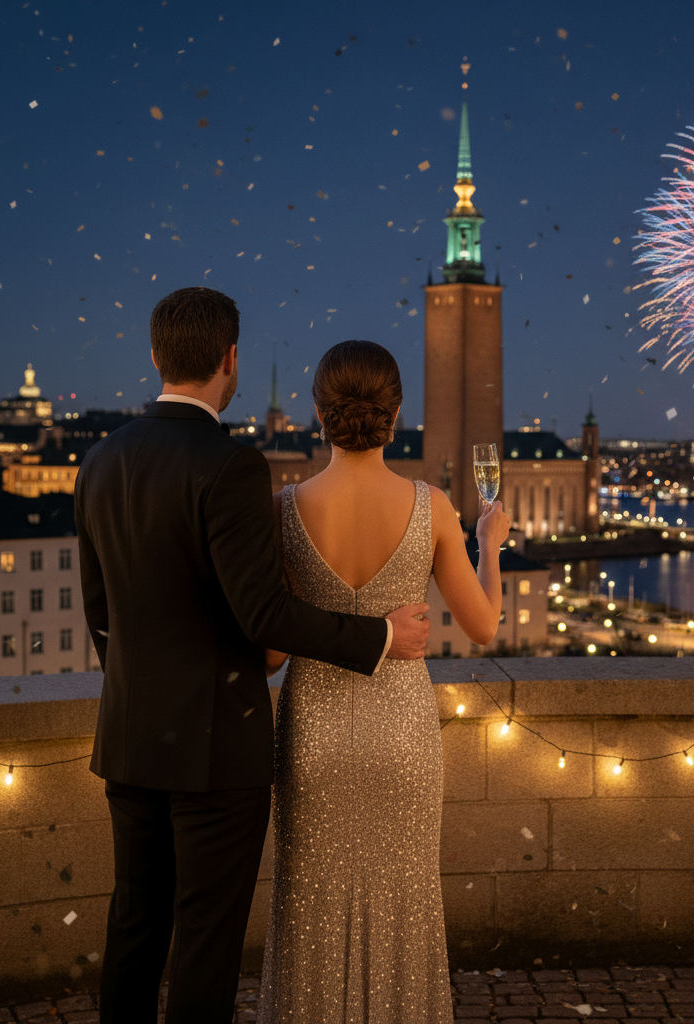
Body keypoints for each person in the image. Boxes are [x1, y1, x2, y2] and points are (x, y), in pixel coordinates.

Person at [74, 288, 430, 1024]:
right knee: (205, 942)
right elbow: (262, 612)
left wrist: (143, 694)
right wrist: (383, 636)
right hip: (214, 752)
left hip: (130, 740)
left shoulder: (102, 459)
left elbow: (101, 613)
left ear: (155, 357)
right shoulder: (231, 466)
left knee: (134, 928)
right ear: (230, 361)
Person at [258, 340, 510, 1023]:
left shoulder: (284, 510)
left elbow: (275, 655)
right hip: (402, 736)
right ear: (395, 416)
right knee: (405, 904)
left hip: (313, 737)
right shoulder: (432, 507)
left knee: (309, 907)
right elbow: (483, 625)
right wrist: (490, 543)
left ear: (319, 414)